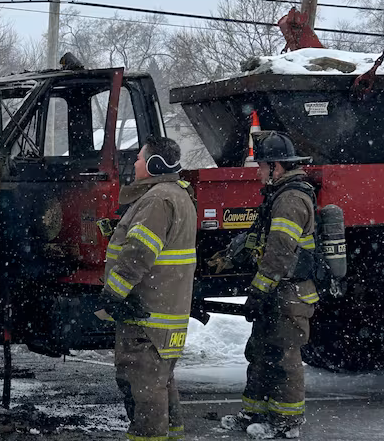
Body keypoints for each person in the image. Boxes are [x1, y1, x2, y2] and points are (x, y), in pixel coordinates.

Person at [220, 131, 319, 440]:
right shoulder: (278, 195)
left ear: (276, 166)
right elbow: (260, 241)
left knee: (285, 357)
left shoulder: (291, 200)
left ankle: (287, 422)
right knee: (261, 351)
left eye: (261, 166)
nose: (258, 172)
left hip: (289, 292)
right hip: (278, 291)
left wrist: (259, 291)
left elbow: (278, 253)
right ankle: (255, 411)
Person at [99, 136, 198, 441]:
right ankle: (172, 435)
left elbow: (139, 252)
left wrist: (113, 293)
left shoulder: (157, 200)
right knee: (161, 382)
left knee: (144, 387)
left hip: (147, 313)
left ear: (155, 165)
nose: (135, 163)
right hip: (165, 311)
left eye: (140, 159)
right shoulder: (176, 195)